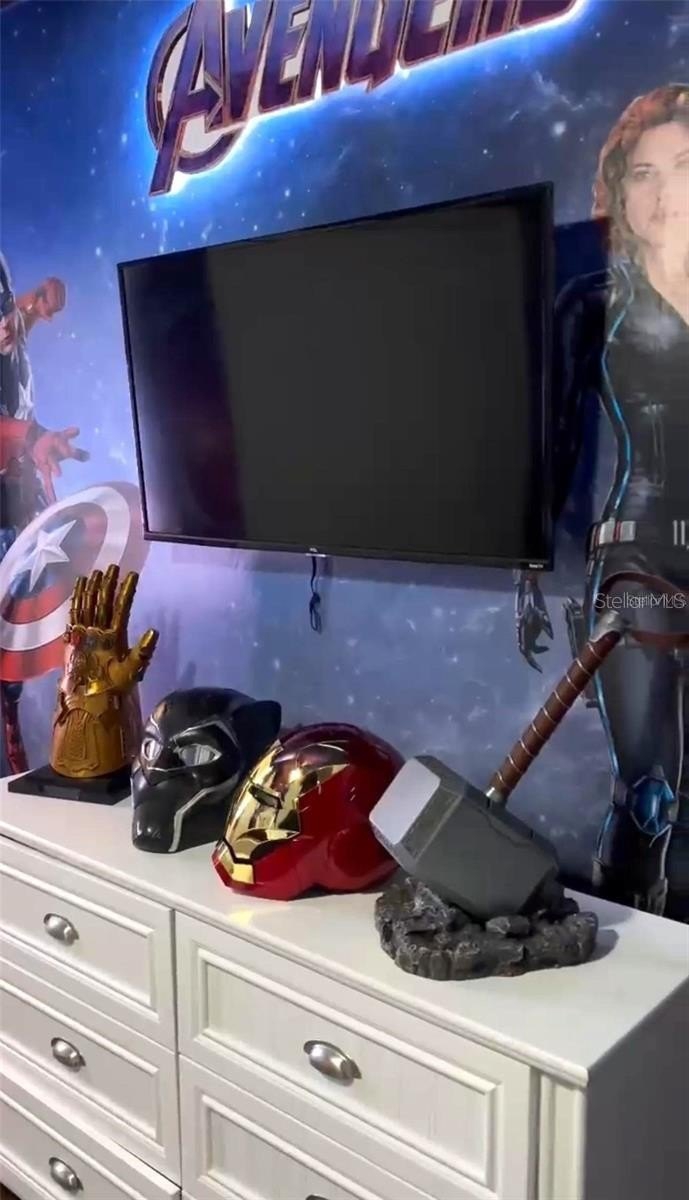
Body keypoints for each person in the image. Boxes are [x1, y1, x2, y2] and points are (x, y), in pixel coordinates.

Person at [517, 85, 689, 918]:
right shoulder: (592, 302)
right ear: (619, 190)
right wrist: (526, 567)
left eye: (681, 167)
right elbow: (551, 445)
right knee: (648, 793)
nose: (662, 192)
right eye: (642, 173)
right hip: (637, 561)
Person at [0, 251, 88, 774]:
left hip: (20, 501)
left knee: (64, 614)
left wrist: (33, 306)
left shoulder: (10, 329)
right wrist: (31, 436)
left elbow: (11, 332)